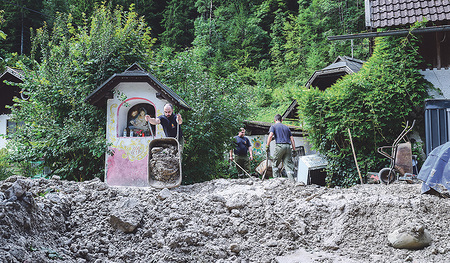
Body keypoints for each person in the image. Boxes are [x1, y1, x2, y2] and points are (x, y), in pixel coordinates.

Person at [266, 114, 296, 181]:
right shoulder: (287, 128)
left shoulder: (273, 126)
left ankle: (276, 180)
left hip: (280, 146)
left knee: (275, 163)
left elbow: (270, 136)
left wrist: (267, 145)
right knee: (288, 164)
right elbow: (292, 139)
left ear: (274, 120)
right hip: (288, 146)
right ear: (281, 120)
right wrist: (294, 150)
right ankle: (292, 181)